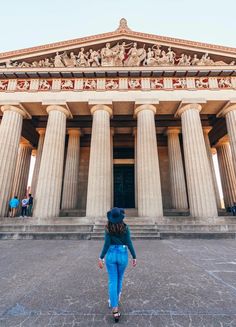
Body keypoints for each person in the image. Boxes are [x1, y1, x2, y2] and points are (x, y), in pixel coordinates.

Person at [98, 207, 137, 323]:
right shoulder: (125, 228)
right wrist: (134, 257)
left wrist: (101, 257)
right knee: (119, 279)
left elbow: (106, 244)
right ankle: (116, 298)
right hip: (122, 254)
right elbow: (129, 242)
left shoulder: (108, 228)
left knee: (112, 280)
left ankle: (114, 307)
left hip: (110, 254)